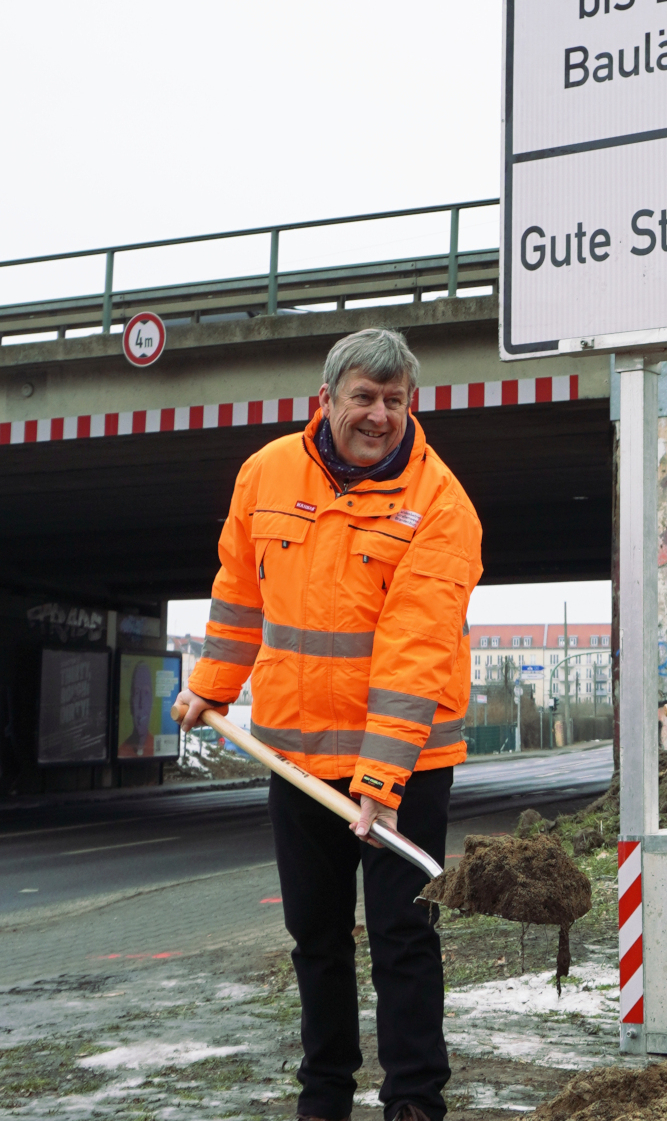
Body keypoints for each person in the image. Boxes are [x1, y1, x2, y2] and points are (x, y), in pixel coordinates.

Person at [176, 328, 482, 1121]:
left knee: (400, 936)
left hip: (406, 763)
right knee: (315, 932)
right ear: (326, 400)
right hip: (296, 755)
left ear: (410, 404)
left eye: (394, 400)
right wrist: (213, 684)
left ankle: (413, 1097)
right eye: (364, 398)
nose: (379, 415)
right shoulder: (266, 473)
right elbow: (241, 590)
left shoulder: (441, 504)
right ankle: (325, 1093)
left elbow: (415, 653)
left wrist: (380, 781)